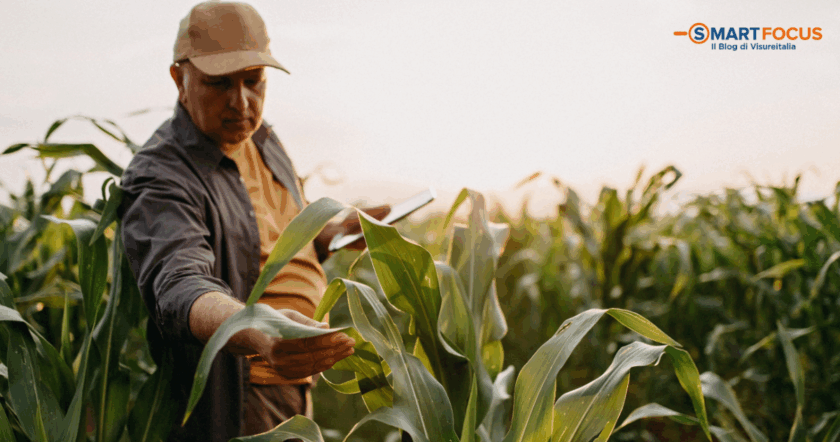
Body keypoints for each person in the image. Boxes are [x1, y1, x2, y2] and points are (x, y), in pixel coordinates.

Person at [118, 2, 388, 440]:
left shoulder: (262, 138)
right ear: (179, 79)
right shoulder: (161, 174)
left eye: (253, 81)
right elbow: (180, 285)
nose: (241, 102)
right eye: (219, 83)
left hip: (293, 380)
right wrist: (259, 328)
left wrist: (336, 234)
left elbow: (278, 232)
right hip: (244, 396)